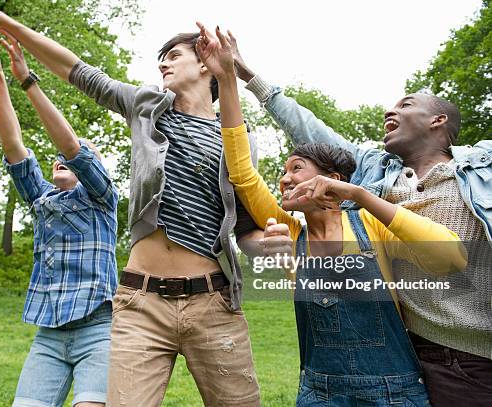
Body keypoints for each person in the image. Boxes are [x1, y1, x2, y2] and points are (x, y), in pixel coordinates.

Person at [0, 1, 263, 405]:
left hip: (212, 301)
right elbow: (76, 70)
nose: (162, 65)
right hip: (141, 303)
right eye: (160, 59)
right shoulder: (146, 109)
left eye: (174, 56)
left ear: (204, 66)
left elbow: (246, 227)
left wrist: (275, 242)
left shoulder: (232, 136)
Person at [195, 23, 467, 406]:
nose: (284, 179)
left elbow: (451, 256)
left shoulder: (371, 222)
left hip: (395, 392)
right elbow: (240, 169)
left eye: (297, 168)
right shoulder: (291, 235)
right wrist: (227, 79)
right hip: (319, 393)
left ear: (333, 180)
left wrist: (359, 195)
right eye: (284, 170)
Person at [0, 26, 118, 407]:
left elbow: (70, 145)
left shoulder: (101, 198)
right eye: (56, 159)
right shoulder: (41, 197)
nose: (61, 158)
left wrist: (27, 80)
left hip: (100, 330)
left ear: (91, 166)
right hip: (48, 335)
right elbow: (12, 143)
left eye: (75, 158)